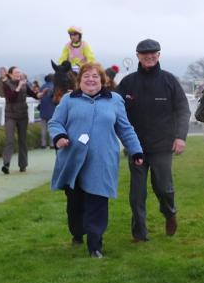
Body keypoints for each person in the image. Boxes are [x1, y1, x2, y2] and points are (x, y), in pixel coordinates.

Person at [49, 62, 144, 258]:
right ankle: (77, 233)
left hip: (102, 160)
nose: (91, 80)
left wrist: (136, 151)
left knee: (98, 201)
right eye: (86, 76)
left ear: (102, 80)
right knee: (75, 203)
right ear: (79, 80)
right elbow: (55, 122)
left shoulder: (114, 100)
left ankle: (95, 245)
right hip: (73, 159)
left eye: (95, 76)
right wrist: (59, 136)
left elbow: (125, 129)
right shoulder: (68, 100)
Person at [117, 39, 191, 242]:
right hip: (136, 148)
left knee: (164, 189)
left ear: (158, 55)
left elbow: (183, 110)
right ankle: (139, 234)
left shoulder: (169, 80)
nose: (149, 57)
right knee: (137, 194)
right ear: (138, 56)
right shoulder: (127, 83)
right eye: (144, 54)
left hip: (162, 146)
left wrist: (180, 137)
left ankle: (169, 213)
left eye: (153, 54)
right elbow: (114, 108)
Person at [1, 66, 40, 174]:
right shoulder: (6, 85)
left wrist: (40, 94)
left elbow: (33, 94)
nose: (19, 74)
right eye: (16, 72)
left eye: (19, 72)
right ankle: (6, 164)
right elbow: (11, 98)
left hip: (23, 116)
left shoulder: (24, 84)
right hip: (10, 116)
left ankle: (23, 165)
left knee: (23, 140)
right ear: (10, 74)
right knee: (9, 139)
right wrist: (18, 87)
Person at [38, 74, 55, 148]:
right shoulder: (54, 87)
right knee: (52, 128)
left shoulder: (42, 86)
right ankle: (52, 144)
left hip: (43, 110)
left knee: (43, 128)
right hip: (52, 110)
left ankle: (43, 144)